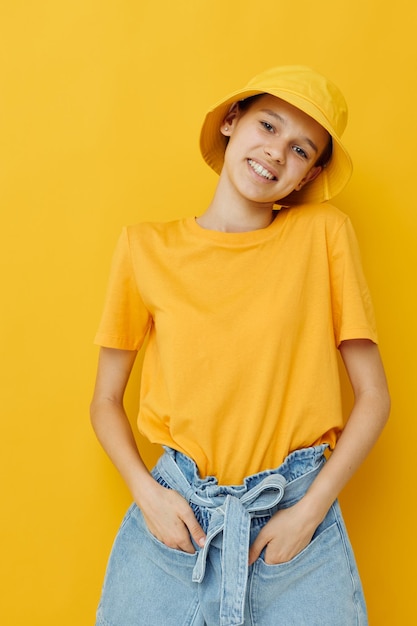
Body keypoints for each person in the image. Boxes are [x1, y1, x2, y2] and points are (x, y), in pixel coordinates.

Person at [90, 65, 390, 626]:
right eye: (268, 126)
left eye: (301, 150)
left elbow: (374, 397)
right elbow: (105, 401)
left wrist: (310, 513)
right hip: (176, 519)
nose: (277, 153)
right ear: (231, 121)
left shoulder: (322, 234)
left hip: (296, 517)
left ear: (308, 176)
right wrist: (147, 496)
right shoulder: (144, 248)